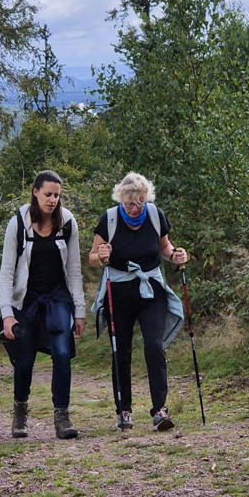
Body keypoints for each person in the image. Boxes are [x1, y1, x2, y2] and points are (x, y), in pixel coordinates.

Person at [89, 172, 187, 432]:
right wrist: (101, 255)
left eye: (141, 202)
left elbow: (164, 247)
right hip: (118, 295)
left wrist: (176, 256)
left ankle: (160, 410)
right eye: (130, 202)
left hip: (151, 293)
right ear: (121, 198)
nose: (135, 208)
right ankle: (124, 410)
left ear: (147, 198)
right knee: (120, 351)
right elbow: (91, 257)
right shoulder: (109, 219)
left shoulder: (155, 215)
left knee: (155, 346)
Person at [0, 170, 86, 440]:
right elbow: (6, 273)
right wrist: (7, 314)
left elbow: (74, 270)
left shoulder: (67, 222)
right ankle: (20, 413)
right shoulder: (18, 223)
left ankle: (62, 416)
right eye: (48, 194)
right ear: (35, 192)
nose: (53, 200)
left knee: (62, 354)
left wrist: (79, 310)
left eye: (57, 195)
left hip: (57, 297)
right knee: (24, 360)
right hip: (26, 299)